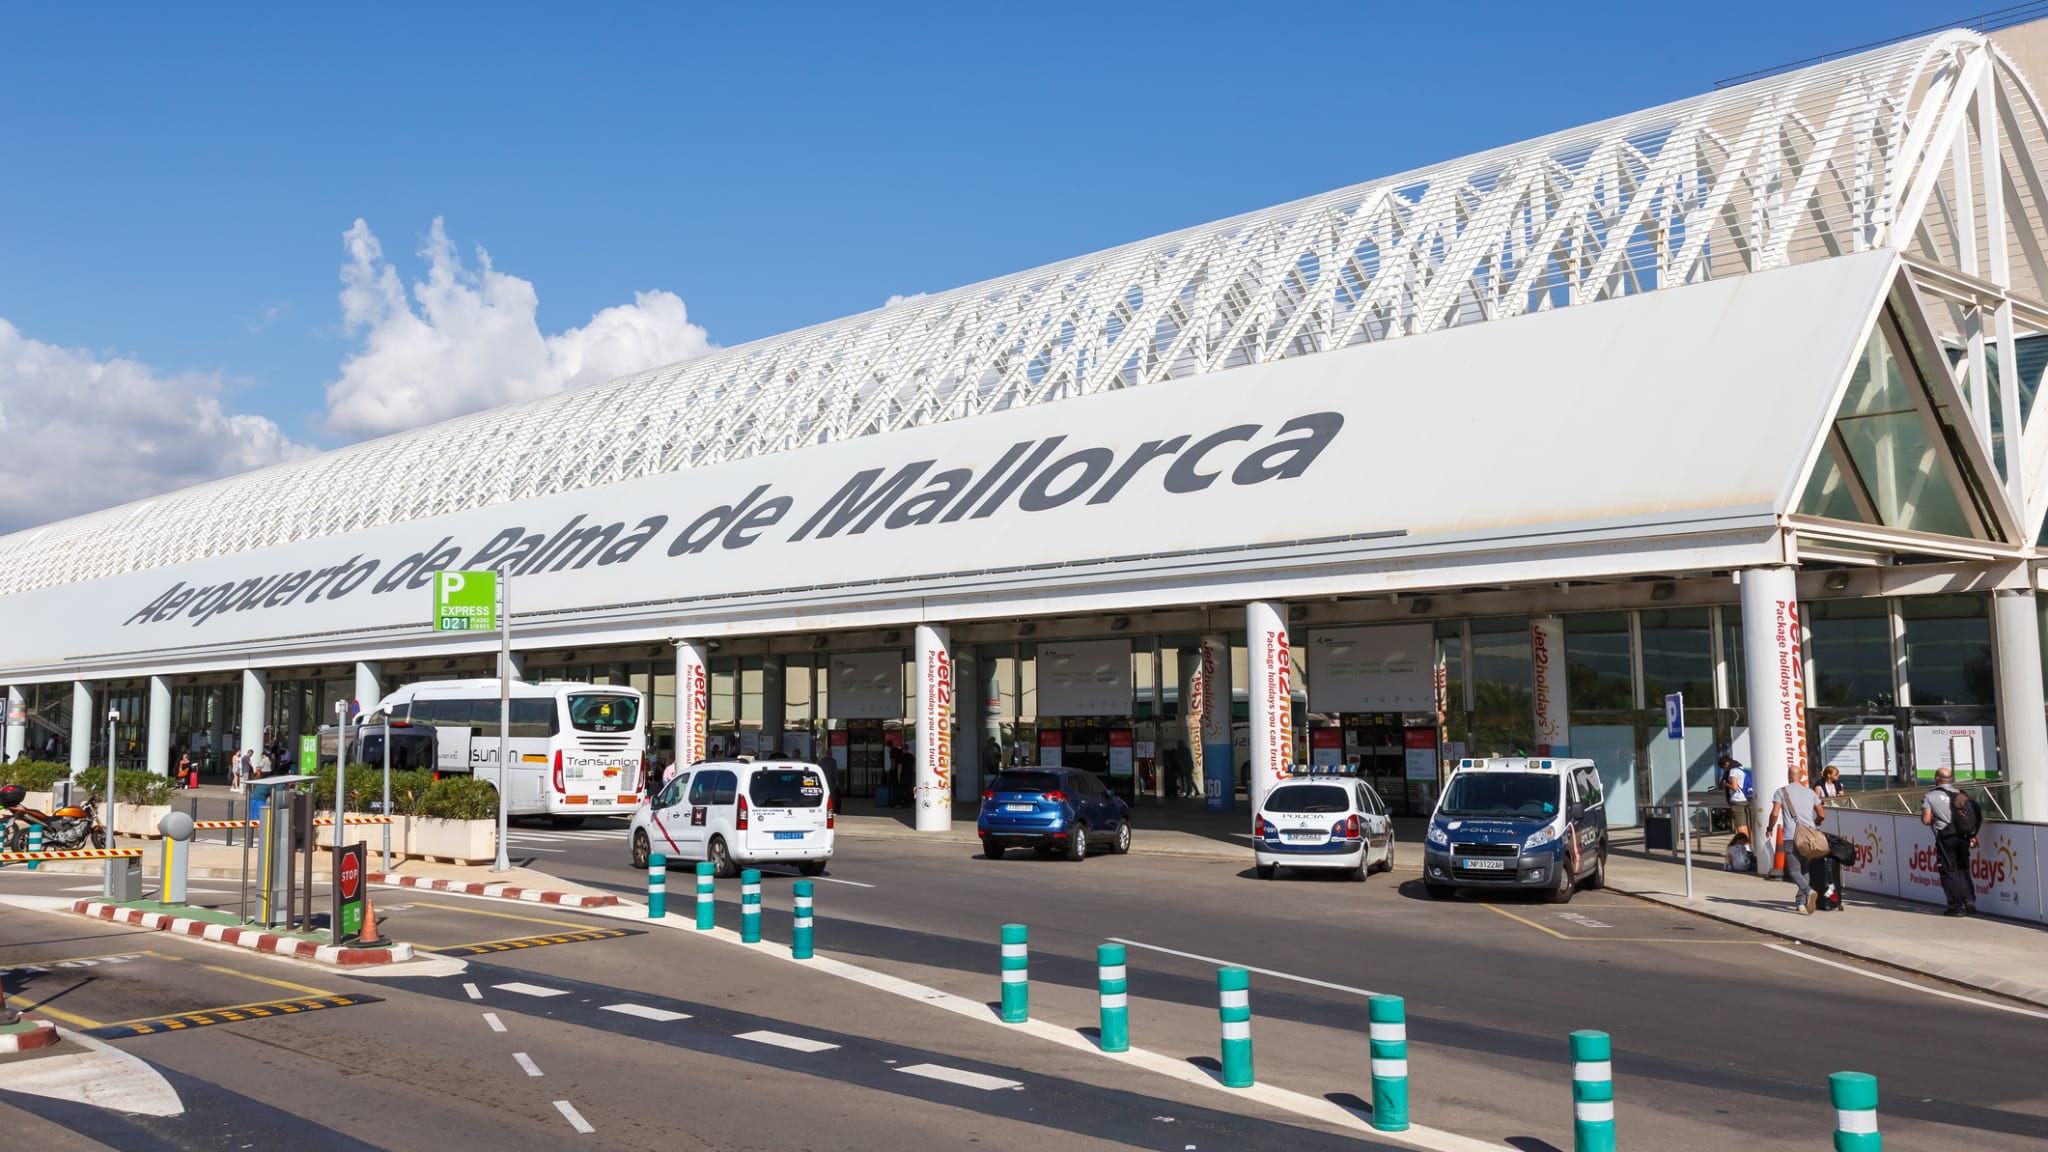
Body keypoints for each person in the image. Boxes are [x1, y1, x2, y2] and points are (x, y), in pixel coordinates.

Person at [1765, 773, 1826, 914]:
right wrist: (1815, 824)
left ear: (1789, 776)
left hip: (1791, 836)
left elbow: (1774, 814)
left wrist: (1769, 828)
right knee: (1805, 870)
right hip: (1809, 837)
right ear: (1801, 777)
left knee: (1793, 870)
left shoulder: (1781, 792)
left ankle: (1808, 891)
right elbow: (1821, 814)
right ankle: (1800, 903)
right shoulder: (1810, 792)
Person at [1921, 767, 1977, 917]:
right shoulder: (1961, 795)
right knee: (1963, 868)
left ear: (1937, 779)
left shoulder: (1930, 796)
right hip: (1964, 837)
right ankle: (1969, 900)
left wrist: (1934, 817)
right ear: (1951, 779)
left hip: (1946, 838)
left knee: (1948, 870)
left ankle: (1955, 906)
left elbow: (1926, 820)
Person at [1719, 755, 1753, 853]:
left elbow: (1734, 787)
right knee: (1748, 825)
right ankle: (1750, 845)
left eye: (1724, 767)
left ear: (1726, 764)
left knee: (1741, 826)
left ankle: (1746, 848)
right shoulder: (1741, 768)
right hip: (1746, 799)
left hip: (1737, 800)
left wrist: (1726, 784)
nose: (1724, 769)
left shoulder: (1733, 771)